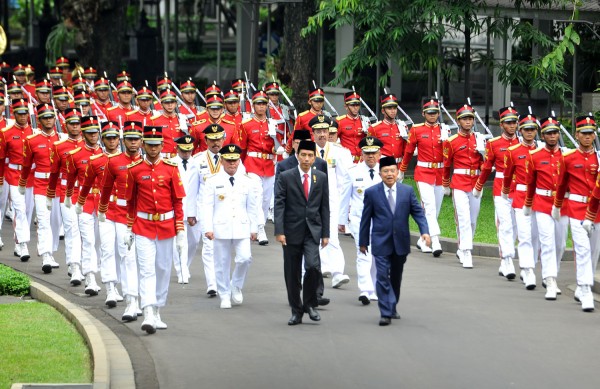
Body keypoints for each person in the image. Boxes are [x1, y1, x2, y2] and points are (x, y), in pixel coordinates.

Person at [125, 126, 185, 334]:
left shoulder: (171, 168)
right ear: (143, 144)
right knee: (147, 269)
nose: (152, 148)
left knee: (162, 269)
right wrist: (128, 228)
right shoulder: (134, 170)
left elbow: (178, 201)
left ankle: (158, 308)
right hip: (143, 226)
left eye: (156, 144)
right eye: (149, 144)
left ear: (162, 145)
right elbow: (131, 201)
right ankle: (148, 311)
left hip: (167, 226)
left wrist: (180, 230)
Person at [359, 156, 429, 326]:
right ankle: (385, 312)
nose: (389, 174)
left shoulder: (407, 191)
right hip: (380, 241)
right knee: (382, 275)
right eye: (385, 171)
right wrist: (363, 242)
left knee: (396, 277)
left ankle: (392, 304)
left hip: (400, 242)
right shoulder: (371, 192)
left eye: (392, 171)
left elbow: (418, 213)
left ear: (397, 173)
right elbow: (365, 219)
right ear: (380, 173)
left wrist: (425, 232)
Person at [275, 139, 330, 326]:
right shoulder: (286, 176)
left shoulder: (320, 177)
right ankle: (296, 310)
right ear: (297, 156)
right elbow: (279, 204)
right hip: (290, 231)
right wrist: (279, 231)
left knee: (313, 266)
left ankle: (310, 304)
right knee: (292, 273)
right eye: (303, 155)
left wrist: (325, 233)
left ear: (315, 158)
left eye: (310, 155)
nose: (307, 159)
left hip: (312, 231)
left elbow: (324, 207)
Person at [98, 121, 143, 321]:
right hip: (112, 212)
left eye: (136, 139)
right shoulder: (114, 161)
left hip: (134, 216)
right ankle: (110, 287)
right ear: (123, 141)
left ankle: (132, 298)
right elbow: (106, 188)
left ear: (141, 141)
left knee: (129, 257)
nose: (133, 143)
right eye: (130, 139)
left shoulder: (145, 163)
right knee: (108, 250)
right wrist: (101, 210)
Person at [203, 144, 258, 309]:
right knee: (221, 263)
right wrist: (208, 227)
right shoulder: (213, 181)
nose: (232, 164)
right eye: (228, 160)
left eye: (235, 161)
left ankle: (236, 284)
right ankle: (224, 294)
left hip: (241, 225)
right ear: (222, 160)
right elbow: (207, 206)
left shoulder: (247, 181)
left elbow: (252, 207)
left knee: (245, 258)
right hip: (220, 226)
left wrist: (254, 228)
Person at [553, 115, 598, 311]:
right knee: (582, 250)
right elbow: (561, 184)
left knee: (594, 252)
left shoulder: (599, 158)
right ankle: (586, 289)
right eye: (584, 133)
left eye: (591, 133)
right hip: (577, 209)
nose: (588, 137)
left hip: (596, 211)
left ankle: (581, 286)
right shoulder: (568, 158)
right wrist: (556, 206)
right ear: (577, 135)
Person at [75, 121, 122, 305]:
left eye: (114, 137)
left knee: (115, 248)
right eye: (108, 138)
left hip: (114, 208)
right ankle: (91, 277)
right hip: (89, 203)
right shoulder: (94, 160)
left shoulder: (127, 159)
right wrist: (78, 203)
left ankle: (117, 285)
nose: (111, 141)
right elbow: (85, 184)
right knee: (89, 241)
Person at [524, 116, 568, 300]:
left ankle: (553, 272)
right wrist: (528, 204)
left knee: (561, 244)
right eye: (549, 133)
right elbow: (530, 183)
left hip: (563, 205)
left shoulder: (567, 155)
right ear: (542, 135)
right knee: (547, 242)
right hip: (542, 203)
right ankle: (551, 280)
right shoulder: (534, 156)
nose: (552, 136)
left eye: (555, 132)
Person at [474, 106, 520, 278]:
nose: (512, 126)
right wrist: (479, 186)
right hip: (501, 189)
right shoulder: (493, 144)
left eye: (514, 122)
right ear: (501, 125)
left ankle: (504, 260)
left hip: (519, 188)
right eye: (508, 123)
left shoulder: (523, 143)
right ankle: (507, 260)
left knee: (515, 226)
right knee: (505, 224)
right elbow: (486, 168)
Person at [400, 98, 446, 256]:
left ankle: (422, 239)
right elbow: (408, 151)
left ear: (439, 113)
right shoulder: (416, 130)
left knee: (434, 209)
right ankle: (435, 240)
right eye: (429, 113)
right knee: (430, 207)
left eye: (435, 112)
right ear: (423, 113)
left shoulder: (445, 130)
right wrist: (402, 169)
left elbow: (448, 155)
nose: (432, 115)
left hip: (439, 174)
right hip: (423, 173)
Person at [340, 136, 383, 304]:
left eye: (374, 153)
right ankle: (365, 289)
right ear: (362, 154)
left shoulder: (386, 171)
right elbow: (344, 198)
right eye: (367, 153)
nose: (370, 157)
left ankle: (374, 288)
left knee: (377, 254)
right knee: (364, 253)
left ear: (379, 154)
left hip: (381, 220)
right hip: (360, 219)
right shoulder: (353, 172)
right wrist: (342, 221)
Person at [64, 116, 103, 296]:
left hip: (103, 202)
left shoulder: (106, 154)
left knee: (101, 242)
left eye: (96, 132)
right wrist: (68, 198)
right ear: (83, 133)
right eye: (90, 133)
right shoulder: (75, 155)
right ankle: (90, 277)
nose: (94, 136)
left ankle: (100, 274)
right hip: (84, 202)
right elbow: (70, 180)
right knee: (88, 240)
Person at [19, 103, 61, 273]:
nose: (49, 120)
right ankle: (46, 254)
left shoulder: (62, 139)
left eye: (51, 117)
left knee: (56, 222)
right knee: (43, 221)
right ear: (39, 120)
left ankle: (51, 249)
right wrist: (22, 183)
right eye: (45, 118)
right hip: (41, 185)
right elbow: (27, 165)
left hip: (58, 185)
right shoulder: (32, 141)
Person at [501, 114, 541, 290]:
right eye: (526, 129)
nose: (530, 132)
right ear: (521, 130)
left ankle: (530, 264)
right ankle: (527, 269)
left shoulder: (542, 151)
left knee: (536, 236)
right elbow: (508, 175)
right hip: (520, 196)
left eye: (533, 129)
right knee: (524, 235)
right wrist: (505, 192)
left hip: (539, 199)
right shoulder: (513, 151)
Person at [442, 104, 484, 269]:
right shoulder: (451, 141)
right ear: (458, 121)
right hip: (459, 182)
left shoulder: (479, 139)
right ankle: (466, 251)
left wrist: (485, 166)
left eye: (471, 118)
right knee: (464, 219)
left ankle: (464, 246)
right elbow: (447, 165)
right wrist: (446, 184)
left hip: (476, 183)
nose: (468, 122)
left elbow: (482, 161)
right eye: (465, 119)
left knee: (473, 220)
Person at [312, 115, 351, 288]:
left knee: (332, 236)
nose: (322, 134)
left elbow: (345, 179)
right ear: (313, 133)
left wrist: (345, 202)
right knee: (314, 235)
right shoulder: (306, 151)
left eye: (325, 131)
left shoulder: (338, 151)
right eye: (318, 131)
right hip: (311, 201)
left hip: (332, 200)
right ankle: (323, 265)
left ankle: (337, 272)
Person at [47, 108, 85, 284]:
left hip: (86, 193)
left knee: (87, 233)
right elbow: (54, 173)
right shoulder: (59, 146)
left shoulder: (90, 146)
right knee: (71, 229)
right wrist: (50, 196)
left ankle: (82, 264)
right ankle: (74, 266)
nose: (76, 127)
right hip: (67, 193)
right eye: (72, 124)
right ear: (65, 124)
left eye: (78, 123)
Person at [239, 90, 276, 245]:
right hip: (252, 164)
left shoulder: (273, 124)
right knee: (256, 196)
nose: (261, 107)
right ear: (253, 106)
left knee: (266, 200)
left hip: (268, 164)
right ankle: (260, 229)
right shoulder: (246, 124)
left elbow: (278, 144)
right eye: (258, 104)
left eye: (263, 103)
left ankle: (254, 224)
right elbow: (242, 147)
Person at [0, 99, 35, 261]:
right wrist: (1, 179)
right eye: (19, 113)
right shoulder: (6, 132)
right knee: (19, 210)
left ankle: (17, 241)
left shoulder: (34, 132)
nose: (22, 116)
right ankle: (23, 244)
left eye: (25, 113)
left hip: (31, 177)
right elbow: (2, 158)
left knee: (27, 211)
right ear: (14, 114)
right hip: (13, 175)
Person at [169, 135, 197, 284]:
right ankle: (181, 271)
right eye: (183, 150)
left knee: (194, 241)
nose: (186, 153)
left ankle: (185, 265)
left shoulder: (197, 163)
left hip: (194, 208)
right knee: (179, 242)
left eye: (189, 150)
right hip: (177, 207)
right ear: (177, 149)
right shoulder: (171, 163)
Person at [368, 93, 406, 165]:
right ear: (383, 111)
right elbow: (370, 150)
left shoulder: (402, 127)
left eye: (394, 108)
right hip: (382, 165)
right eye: (389, 108)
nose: (393, 111)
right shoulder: (374, 128)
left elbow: (405, 149)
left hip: (398, 165)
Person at [336, 91, 367, 163]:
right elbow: (333, 140)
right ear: (346, 107)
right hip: (346, 160)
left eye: (357, 105)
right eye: (352, 105)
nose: (355, 108)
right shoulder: (340, 122)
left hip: (362, 161)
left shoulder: (364, 121)